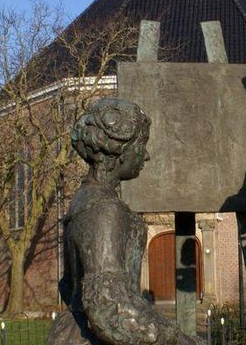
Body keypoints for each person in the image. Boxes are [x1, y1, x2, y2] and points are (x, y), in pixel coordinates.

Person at [47, 98, 198, 345]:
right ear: (119, 152)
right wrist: (179, 339)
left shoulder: (84, 199)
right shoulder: (104, 209)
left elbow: (69, 286)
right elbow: (108, 308)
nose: (146, 156)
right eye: (141, 146)